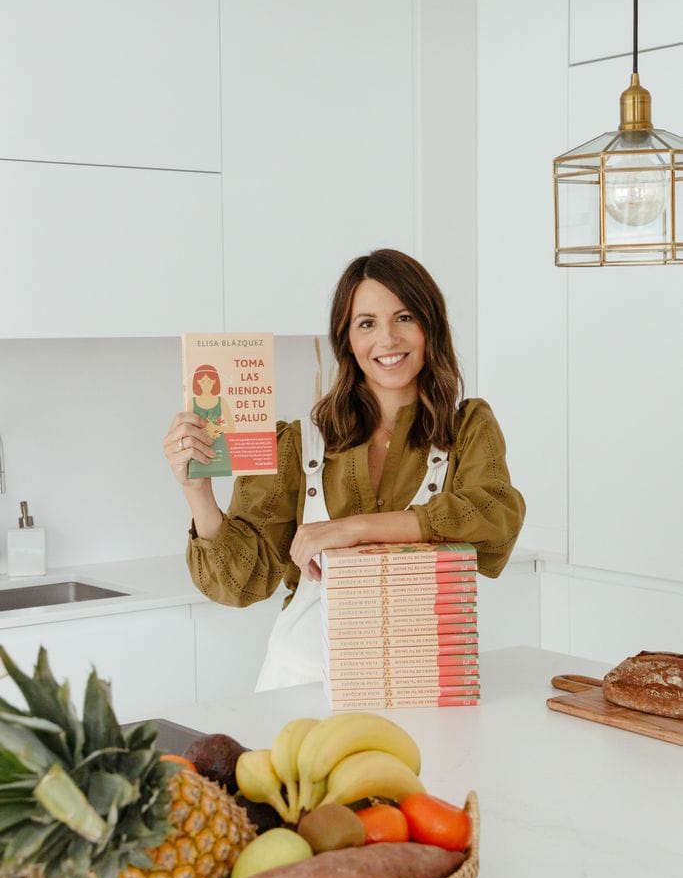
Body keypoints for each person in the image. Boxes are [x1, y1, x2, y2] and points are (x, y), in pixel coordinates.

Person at [163, 249, 525, 691]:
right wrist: (197, 493)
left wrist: (351, 530)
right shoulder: (297, 443)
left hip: (422, 682)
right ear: (347, 340)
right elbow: (242, 585)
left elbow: (494, 518)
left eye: (405, 317)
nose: (387, 339)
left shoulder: (467, 428)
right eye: (366, 323)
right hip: (299, 683)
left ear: (431, 326)